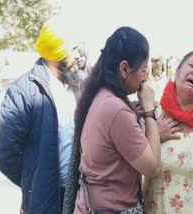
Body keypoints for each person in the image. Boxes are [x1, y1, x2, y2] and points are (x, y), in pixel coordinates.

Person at [0, 19, 82, 213]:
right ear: (57, 51)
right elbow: (5, 154)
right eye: (73, 49)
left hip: (79, 196)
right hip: (43, 200)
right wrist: (33, 183)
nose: (78, 55)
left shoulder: (77, 86)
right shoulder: (23, 92)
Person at [72, 27, 161, 214]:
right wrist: (149, 110)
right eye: (144, 70)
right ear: (124, 68)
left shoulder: (99, 96)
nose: (145, 77)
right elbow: (152, 167)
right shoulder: (116, 110)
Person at [144, 51, 193, 214]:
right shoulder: (152, 116)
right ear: (176, 73)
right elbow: (130, 162)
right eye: (192, 65)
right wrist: (154, 137)